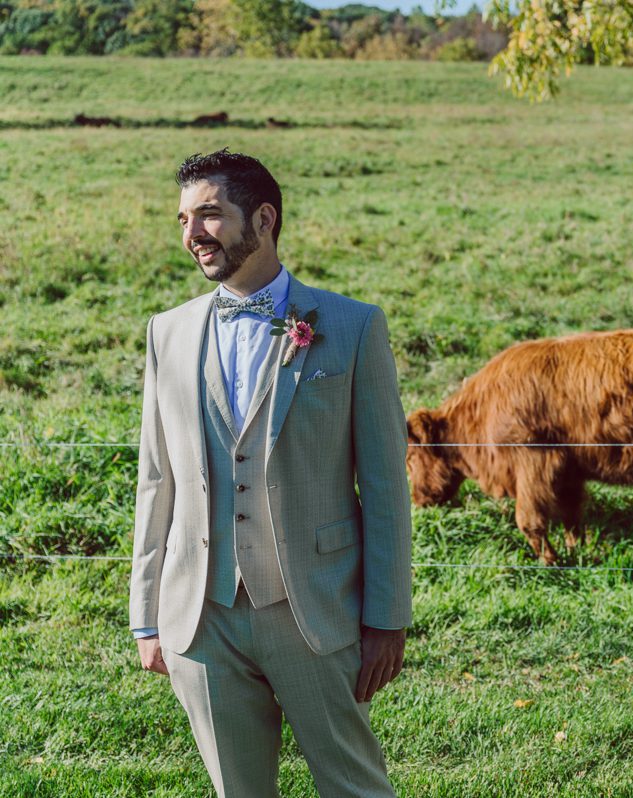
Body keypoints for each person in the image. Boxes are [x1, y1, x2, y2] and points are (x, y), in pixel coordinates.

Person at [129, 149, 412, 797]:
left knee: (355, 788)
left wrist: (387, 618)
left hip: (314, 609)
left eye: (208, 215)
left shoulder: (351, 326)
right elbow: (156, 481)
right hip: (200, 618)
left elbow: (388, 489)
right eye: (182, 219)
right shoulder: (167, 333)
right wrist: (146, 616)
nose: (192, 234)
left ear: (263, 218)